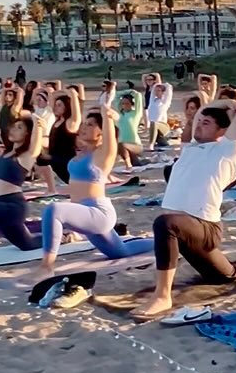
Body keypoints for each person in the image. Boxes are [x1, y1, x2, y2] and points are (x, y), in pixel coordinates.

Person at [136, 99, 236, 318]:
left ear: (221, 131)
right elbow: (201, 110)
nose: (199, 125)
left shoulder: (226, 151)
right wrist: (218, 103)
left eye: (206, 123)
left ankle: (162, 296)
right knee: (226, 275)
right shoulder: (193, 147)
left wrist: (233, 105)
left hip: (205, 227)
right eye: (199, 122)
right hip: (187, 229)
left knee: (165, 224)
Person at [40, 101, 154, 269]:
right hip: (84, 213)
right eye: (84, 124)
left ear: (101, 133)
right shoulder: (82, 152)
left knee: (53, 210)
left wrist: (107, 116)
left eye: (91, 125)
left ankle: (46, 266)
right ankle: (163, 241)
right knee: (120, 251)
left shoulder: (103, 155)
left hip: (97, 212)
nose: (84, 127)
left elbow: (109, 139)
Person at [0, 113, 46, 253]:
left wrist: (35, 121)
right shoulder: (5, 154)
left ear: (28, 134)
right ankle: (64, 237)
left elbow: (36, 145)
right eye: (13, 127)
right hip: (0, 206)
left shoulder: (26, 156)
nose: (13, 130)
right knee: (28, 244)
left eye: (19, 128)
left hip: (12, 206)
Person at [46, 88, 83, 186]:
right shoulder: (57, 120)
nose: (55, 107)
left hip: (65, 161)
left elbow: (76, 113)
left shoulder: (71, 123)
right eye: (56, 105)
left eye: (59, 105)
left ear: (67, 107)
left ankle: (51, 189)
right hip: (55, 160)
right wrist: (56, 92)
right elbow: (52, 99)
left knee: (38, 160)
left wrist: (73, 95)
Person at [115, 88, 145, 169]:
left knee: (121, 145)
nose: (124, 105)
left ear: (132, 104)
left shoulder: (135, 114)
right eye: (123, 104)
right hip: (123, 147)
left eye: (127, 103)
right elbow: (116, 95)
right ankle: (133, 162)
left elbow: (138, 95)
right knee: (136, 163)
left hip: (135, 145)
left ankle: (128, 165)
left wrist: (131, 92)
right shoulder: (120, 114)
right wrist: (125, 93)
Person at [146, 75, 173, 147]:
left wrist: (161, 85)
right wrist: (156, 86)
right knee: (153, 124)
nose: (156, 92)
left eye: (158, 91)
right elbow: (152, 91)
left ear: (163, 92)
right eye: (155, 91)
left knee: (154, 123)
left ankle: (150, 145)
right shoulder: (153, 101)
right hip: (154, 128)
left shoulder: (165, 102)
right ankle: (155, 142)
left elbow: (169, 87)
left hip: (163, 127)